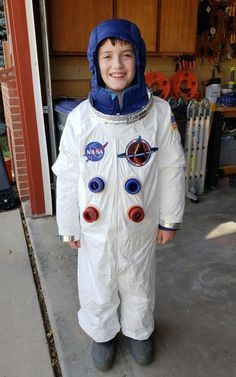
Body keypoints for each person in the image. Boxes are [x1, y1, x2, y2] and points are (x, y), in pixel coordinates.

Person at [52, 18, 185, 371]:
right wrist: (69, 224)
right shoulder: (82, 119)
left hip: (138, 228)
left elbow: (172, 168)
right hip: (94, 230)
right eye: (107, 56)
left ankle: (139, 332)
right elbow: (67, 176)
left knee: (138, 281)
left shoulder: (158, 114)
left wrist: (170, 219)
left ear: (138, 60)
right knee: (98, 282)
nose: (117, 65)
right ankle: (103, 334)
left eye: (126, 55)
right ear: (95, 62)